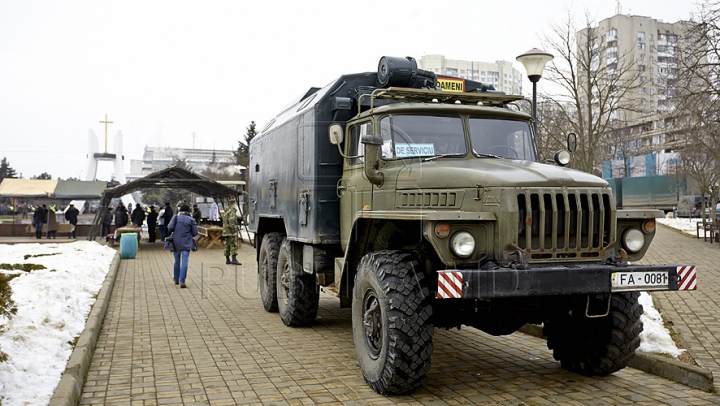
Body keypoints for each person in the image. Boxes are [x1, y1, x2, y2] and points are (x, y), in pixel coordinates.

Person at [167, 204, 198, 288]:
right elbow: (195, 232)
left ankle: (176, 278)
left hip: (176, 242)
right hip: (187, 243)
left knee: (177, 261)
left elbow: (169, 228)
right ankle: (182, 281)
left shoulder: (175, 218)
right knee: (185, 261)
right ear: (188, 211)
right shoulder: (191, 220)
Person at [221, 198, 242, 265]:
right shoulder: (232, 211)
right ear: (234, 204)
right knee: (233, 245)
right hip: (231, 232)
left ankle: (227, 259)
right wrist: (234, 231)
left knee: (227, 245)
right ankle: (234, 259)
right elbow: (231, 221)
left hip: (226, 232)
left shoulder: (226, 212)